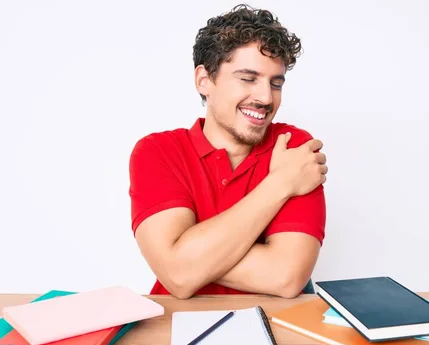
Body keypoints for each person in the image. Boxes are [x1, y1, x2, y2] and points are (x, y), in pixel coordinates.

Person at [129, 4, 327, 299]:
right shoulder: (157, 152)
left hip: (276, 326)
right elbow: (178, 276)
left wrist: (187, 256)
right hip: (176, 325)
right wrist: (280, 184)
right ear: (204, 80)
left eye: (275, 83)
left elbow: (286, 277)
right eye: (248, 78)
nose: (265, 97)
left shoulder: (293, 147)